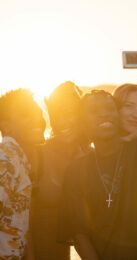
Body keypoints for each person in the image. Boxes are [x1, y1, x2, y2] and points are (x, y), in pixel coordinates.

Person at [58, 49, 137, 259]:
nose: (104, 114)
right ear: (83, 122)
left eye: (109, 109)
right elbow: (80, 234)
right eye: (95, 110)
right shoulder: (76, 170)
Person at [31, 81, 89, 260]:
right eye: (57, 113)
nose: (63, 121)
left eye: (70, 113)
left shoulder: (92, 158)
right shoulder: (36, 156)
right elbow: (24, 223)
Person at [0, 89, 45, 259]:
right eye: (27, 114)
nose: (38, 120)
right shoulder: (5, 162)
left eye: (39, 113)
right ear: (5, 125)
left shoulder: (19, 161)